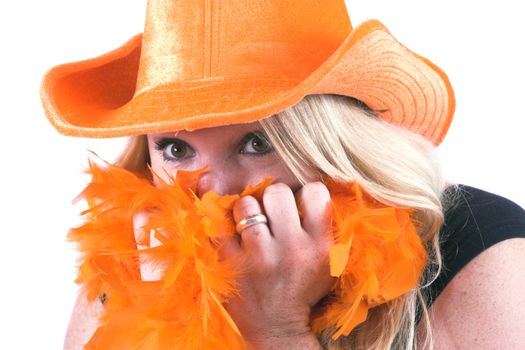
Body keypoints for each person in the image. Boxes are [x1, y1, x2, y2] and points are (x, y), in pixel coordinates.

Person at [40, 0, 525, 349]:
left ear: (331, 142)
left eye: (257, 143)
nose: (218, 192)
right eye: (176, 147)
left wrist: (276, 331)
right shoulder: (132, 256)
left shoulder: (478, 250)